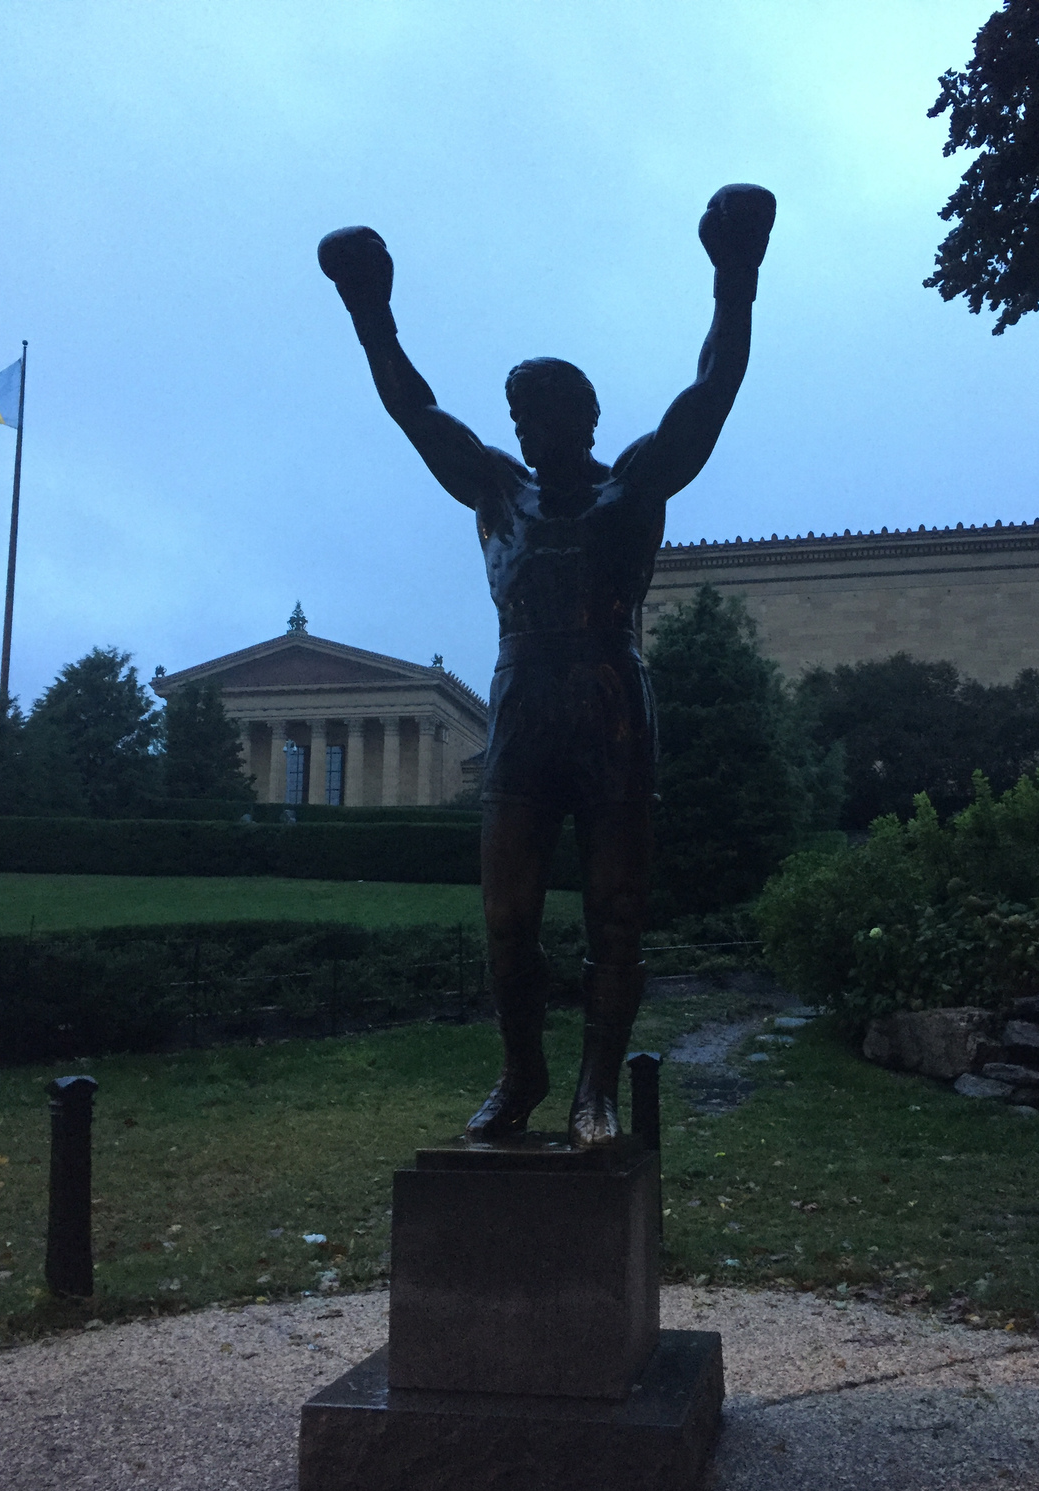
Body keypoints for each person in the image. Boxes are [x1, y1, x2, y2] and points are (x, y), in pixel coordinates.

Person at [318, 185, 775, 1147]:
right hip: (524, 707)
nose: (528, 428)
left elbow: (714, 390)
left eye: (545, 412)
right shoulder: (497, 492)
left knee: (617, 910)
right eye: (519, 415)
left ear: (586, 417)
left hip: (612, 706)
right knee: (506, 914)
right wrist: (369, 309)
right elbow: (415, 409)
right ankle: (521, 1072)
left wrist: (736, 276)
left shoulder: (634, 485)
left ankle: (593, 1091)